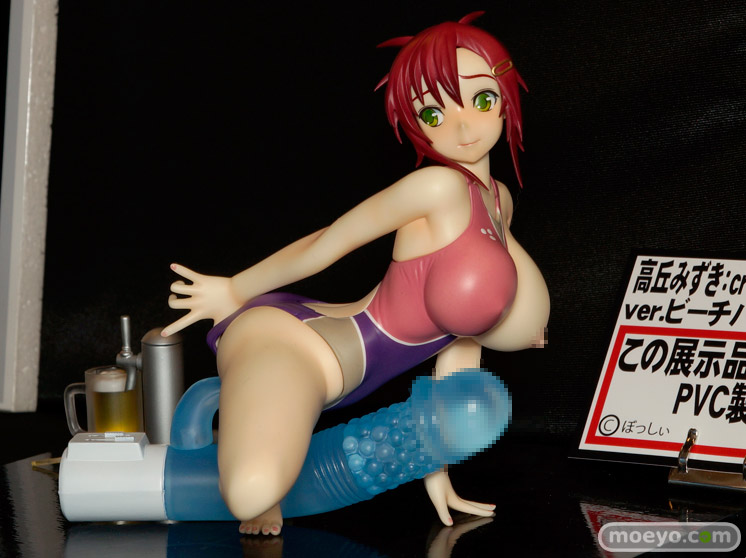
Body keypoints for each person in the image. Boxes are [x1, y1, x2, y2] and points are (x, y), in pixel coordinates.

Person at [162, 13, 549, 536]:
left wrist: (434, 466)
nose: (462, 128)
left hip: (336, 371)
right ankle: (250, 442)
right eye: (434, 113)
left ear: (505, 96)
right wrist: (235, 287)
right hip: (296, 342)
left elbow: (460, 344)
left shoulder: (498, 201)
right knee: (252, 492)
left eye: (481, 100)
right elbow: (329, 242)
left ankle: (257, 433)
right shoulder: (435, 187)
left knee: (263, 482)